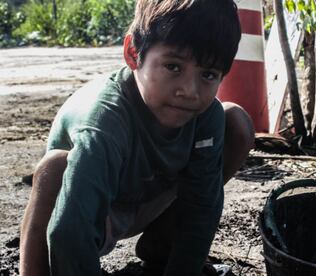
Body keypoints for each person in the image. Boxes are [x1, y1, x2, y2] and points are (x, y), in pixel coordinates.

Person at [19, 0, 255, 275]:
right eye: (173, 67)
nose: (189, 91)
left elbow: (202, 210)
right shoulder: (105, 121)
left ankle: (160, 249)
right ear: (133, 53)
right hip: (90, 210)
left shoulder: (206, 115)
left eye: (208, 74)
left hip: (149, 199)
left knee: (236, 123)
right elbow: (69, 231)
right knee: (55, 167)